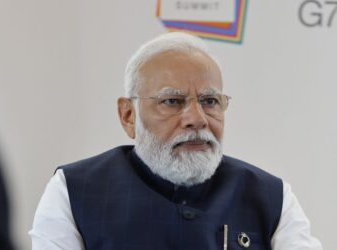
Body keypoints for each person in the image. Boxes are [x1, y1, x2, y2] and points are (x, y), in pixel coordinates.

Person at [30, 32, 322, 249]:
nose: (197, 118)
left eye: (210, 100)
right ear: (129, 115)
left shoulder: (271, 196)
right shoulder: (74, 191)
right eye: (172, 100)